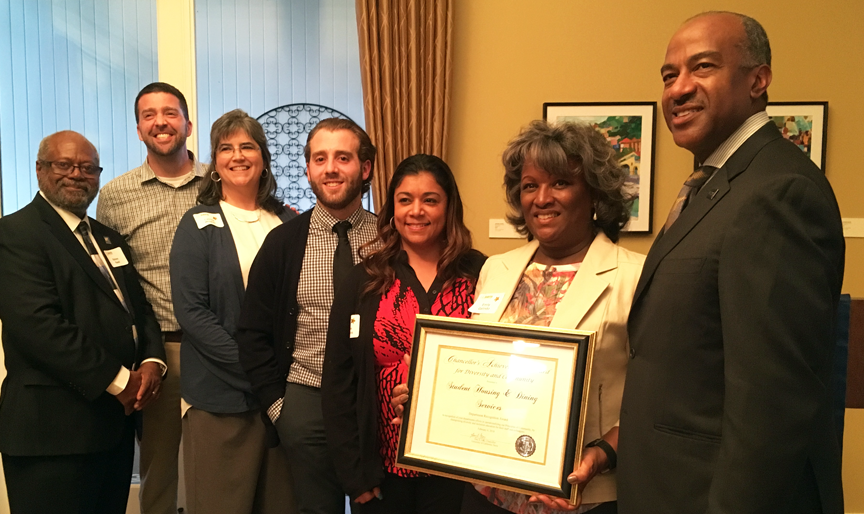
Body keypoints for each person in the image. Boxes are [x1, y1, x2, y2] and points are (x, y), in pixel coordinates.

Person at [616, 12, 845, 514]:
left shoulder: (778, 192)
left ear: (758, 80)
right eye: (668, 75)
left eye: (702, 67)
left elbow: (771, 411)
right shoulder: (717, 185)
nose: (678, 89)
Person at [393, 121, 644, 514]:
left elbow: (658, 400)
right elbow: (481, 371)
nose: (541, 198)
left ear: (593, 192)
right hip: (486, 493)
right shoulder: (497, 268)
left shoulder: (635, 277)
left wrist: (602, 454)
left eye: (560, 183)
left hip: (578, 498)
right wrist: (428, 399)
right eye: (530, 186)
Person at [0, 130, 165, 514]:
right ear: (40, 170)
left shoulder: (107, 238)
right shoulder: (14, 235)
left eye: (87, 168)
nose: (76, 175)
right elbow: (40, 329)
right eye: (64, 165)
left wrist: (151, 360)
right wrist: (120, 382)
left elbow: (139, 308)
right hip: (51, 436)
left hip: (111, 432)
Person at [322, 154, 486, 513]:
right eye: (405, 199)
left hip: (462, 470)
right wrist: (356, 477)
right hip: (383, 474)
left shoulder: (482, 274)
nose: (416, 211)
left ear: (449, 206)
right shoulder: (364, 280)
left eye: (430, 199)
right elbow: (338, 381)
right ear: (391, 207)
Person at [236, 117, 379, 514]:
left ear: (364, 168)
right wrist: (280, 408)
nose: (331, 168)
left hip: (373, 404)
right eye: (320, 158)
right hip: (305, 400)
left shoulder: (391, 238)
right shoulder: (283, 243)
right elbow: (251, 333)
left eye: (343, 157)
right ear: (309, 170)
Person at [169, 109, 297, 513]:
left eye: (247, 146)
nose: (237, 155)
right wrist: (257, 372)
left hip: (283, 400)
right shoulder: (196, 224)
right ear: (214, 163)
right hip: (221, 400)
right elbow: (193, 313)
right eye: (226, 148)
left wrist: (281, 382)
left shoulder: (289, 221)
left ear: (263, 157)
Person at [97, 82, 205, 514]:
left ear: (188, 125)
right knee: (158, 471)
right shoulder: (116, 196)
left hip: (222, 349)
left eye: (170, 112)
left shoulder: (221, 183)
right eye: (149, 115)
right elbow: (111, 283)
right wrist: (142, 355)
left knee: (222, 461)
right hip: (161, 354)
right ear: (139, 130)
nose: (160, 121)